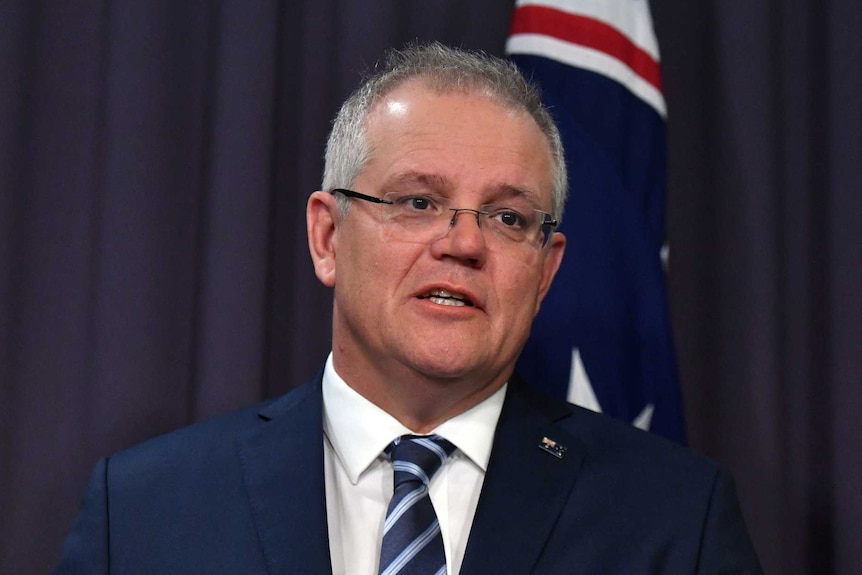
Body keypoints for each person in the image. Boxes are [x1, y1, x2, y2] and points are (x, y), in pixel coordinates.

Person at [53, 43, 762, 575]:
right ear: (327, 236)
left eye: (509, 218)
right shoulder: (145, 510)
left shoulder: (674, 519)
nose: (462, 242)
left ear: (546, 273)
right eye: (418, 202)